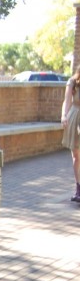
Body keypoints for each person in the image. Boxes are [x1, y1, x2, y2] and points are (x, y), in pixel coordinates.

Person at [60, 66, 80, 202]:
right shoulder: (73, 82)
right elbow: (67, 101)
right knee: (76, 156)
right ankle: (79, 188)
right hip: (75, 117)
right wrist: (63, 115)